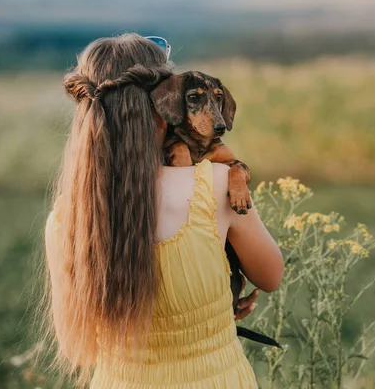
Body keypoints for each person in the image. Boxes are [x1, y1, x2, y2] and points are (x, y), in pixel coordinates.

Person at [42, 33, 284, 388]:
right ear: (163, 108)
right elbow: (270, 276)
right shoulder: (215, 186)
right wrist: (212, 312)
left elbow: (78, 351)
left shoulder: (68, 217)